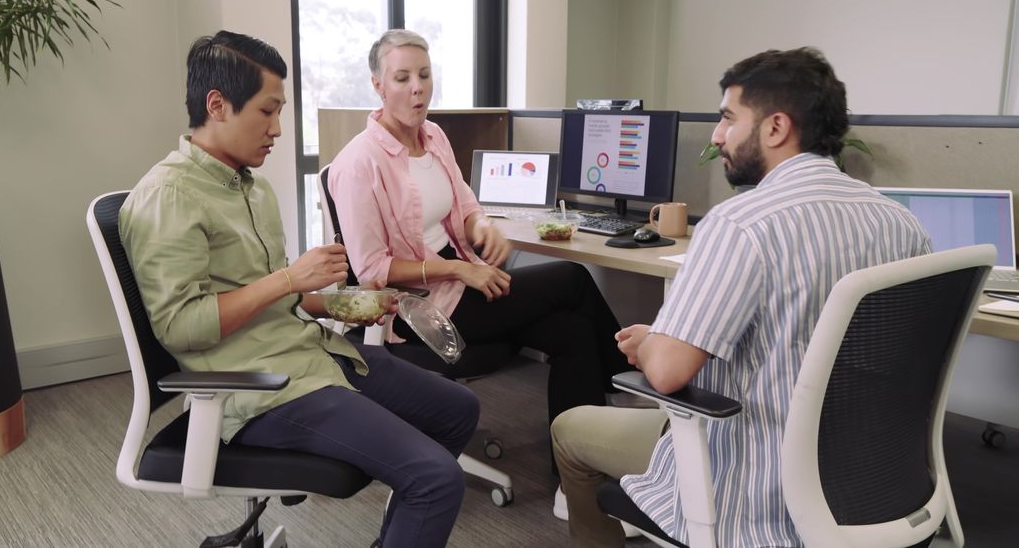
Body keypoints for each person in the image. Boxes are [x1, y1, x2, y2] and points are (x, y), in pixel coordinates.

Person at [550, 47, 932, 547]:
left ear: (775, 128)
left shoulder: (743, 223)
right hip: (873, 478)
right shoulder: (901, 221)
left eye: (728, 118)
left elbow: (666, 372)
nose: (716, 135)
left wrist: (649, 343)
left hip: (758, 490)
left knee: (570, 429)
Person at [119, 30, 480, 548]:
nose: (278, 129)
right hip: (260, 390)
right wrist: (292, 277)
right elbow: (181, 328)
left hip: (311, 352)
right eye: (267, 112)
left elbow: (277, 297)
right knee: (436, 478)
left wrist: (339, 302)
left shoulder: (251, 186)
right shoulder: (168, 197)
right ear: (217, 105)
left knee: (457, 409)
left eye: (280, 111)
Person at [328, 29, 632, 431]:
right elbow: (371, 271)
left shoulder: (433, 136)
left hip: (462, 281)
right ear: (378, 86)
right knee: (573, 277)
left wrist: (482, 226)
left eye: (424, 75)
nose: (418, 89)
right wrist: (458, 270)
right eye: (402, 78)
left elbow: (465, 203)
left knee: (572, 333)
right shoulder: (358, 164)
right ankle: (630, 381)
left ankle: (575, 477)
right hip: (418, 308)